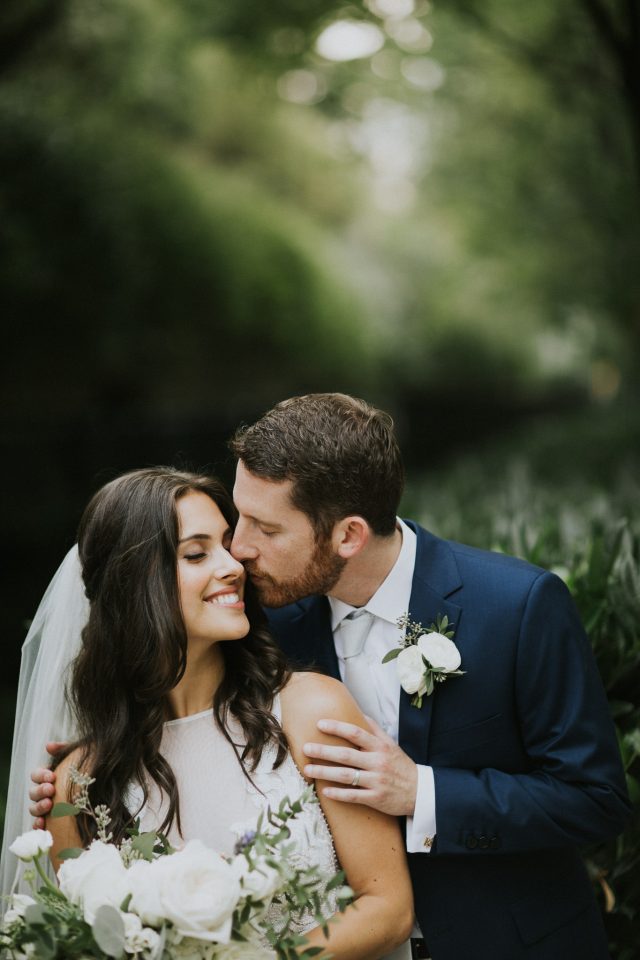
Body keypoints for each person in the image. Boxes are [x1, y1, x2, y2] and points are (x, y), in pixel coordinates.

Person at [27, 393, 631, 959]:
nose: (238, 550)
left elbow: (597, 798)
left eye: (265, 529)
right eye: (239, 518)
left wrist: (422, 794)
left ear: (348, 535)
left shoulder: (518, 607)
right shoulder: (263, 619)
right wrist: (96, 764)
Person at [4, 467, 414, 959]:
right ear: (136, 586)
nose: (234, 564)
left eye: (226, 543)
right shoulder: (80, 783)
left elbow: (388, 908)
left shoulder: (310, 710)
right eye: (197, 553)